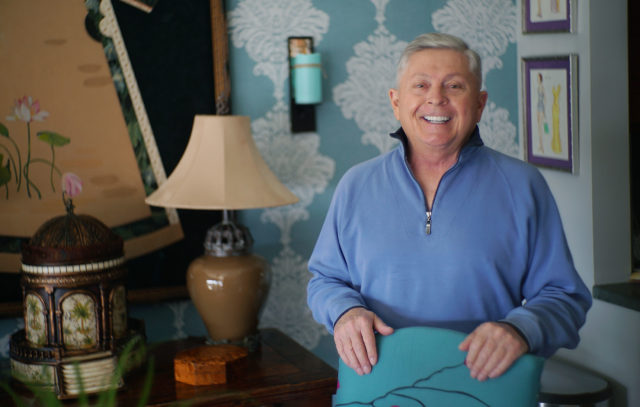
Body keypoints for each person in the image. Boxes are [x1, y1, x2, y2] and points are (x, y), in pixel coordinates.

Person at [307, 33, 591, 382]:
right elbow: (325, 280)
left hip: (487, 389)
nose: (436, 99)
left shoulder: (523, 186)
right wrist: (345, 311)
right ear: (396, 102)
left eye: (454, 86)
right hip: (378, 388)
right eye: (421, 85)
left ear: (480, 104)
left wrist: (520, 329)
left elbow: (565, 297)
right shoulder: (356, 185)